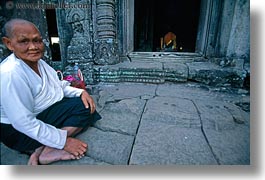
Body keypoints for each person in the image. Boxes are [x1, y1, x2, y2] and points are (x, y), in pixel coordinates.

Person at [0, 19, 101, 165]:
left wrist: (80, 93)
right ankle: (50, 149)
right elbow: (23, 123)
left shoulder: (38, 62)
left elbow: (57, 86)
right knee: (82, 109)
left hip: (38, 115)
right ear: (9, 43)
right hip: (17, 133)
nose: (33, 47)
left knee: (86, 105)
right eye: (24, 41)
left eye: (37, 41)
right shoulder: (10, 74)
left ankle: (42, 149)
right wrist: (64, 142)